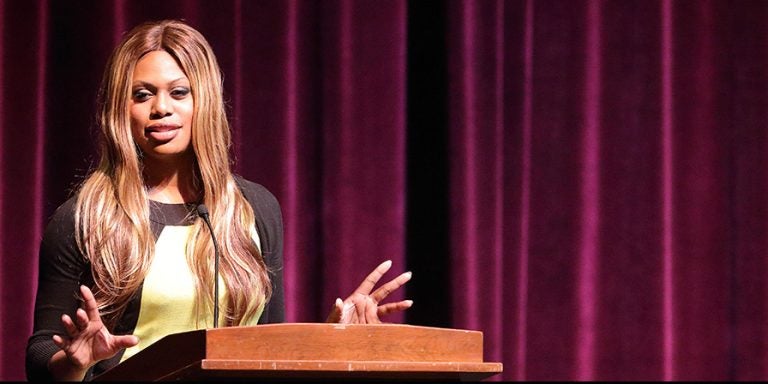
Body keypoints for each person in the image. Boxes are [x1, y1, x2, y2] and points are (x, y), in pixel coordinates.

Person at [26, 19, 413, 381]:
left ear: (205, 101)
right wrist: (74, 362)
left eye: (179, 92)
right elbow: (41, 353)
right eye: (142, 95)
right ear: (120, 109)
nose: (161, 108)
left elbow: (267, 345)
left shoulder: (254, 208)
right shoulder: (84, 217)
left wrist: (331, 336)